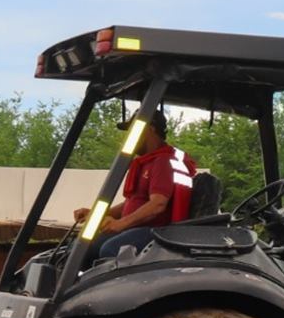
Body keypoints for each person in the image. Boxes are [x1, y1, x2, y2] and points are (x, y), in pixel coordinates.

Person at [73, 109, 197, 260]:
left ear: (150, 129)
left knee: (111, 249)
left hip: (156, 231)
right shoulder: (146, 162)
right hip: (135, 228)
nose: (129, 136)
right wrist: (96, 214)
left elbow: (158, 204)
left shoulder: (163, 161)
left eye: (133, 130)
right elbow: (131, 203)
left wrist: (121, 223)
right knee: (81, 247)